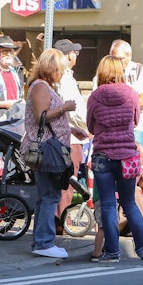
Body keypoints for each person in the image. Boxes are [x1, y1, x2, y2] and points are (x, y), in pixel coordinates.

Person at [87, 55, 143, 263]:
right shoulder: (131, 93)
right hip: (127, 154)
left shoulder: (95, 96)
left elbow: (90, 126)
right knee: (130, 203)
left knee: (107, 204)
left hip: (103, 155)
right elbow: (135, 120)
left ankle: (112, 252)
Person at [23, 49, 88, 258]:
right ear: (51, 68)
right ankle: (43, 242)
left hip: (48, 147)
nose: (61, 74)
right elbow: (41, 117)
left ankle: (42, 241)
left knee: (46, 196)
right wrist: (65, 108)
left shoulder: (42, 86)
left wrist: (70, 129)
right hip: (47, 149)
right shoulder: (41, 86)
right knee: (49, 195)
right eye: (60, 70)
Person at [54, 38, 88, 226]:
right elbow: (72, 108)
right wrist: (87, 127)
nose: (76, 55)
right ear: (68, 56)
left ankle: (58, 222)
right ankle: (60, 223)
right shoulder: (65, 77)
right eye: (75, 52)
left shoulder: (60, 76)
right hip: (71, 137)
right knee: (68, 183)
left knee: (64, 182)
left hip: (66, 135)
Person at [110, 40, 143, 167]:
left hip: (136, 127)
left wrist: (116, 103)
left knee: (134, 166)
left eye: (120, 58)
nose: (117, 62)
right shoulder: (105, 71)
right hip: (112, 128)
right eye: (114, 58)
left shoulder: (139, 70)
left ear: (129, 56)